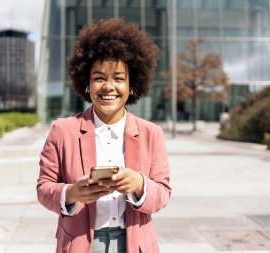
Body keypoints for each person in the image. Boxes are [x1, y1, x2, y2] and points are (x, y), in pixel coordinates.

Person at [37, 18, 171, 253]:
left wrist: (139, 184)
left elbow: (162, 195)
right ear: (87, 84)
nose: (109, 86)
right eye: (99, 78)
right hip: (80, 243)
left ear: (132, 86)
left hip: (134, 244)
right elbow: (43, 189)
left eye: (118, 78)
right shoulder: (62, 130)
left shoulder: (152, 133)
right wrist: (71, 193)